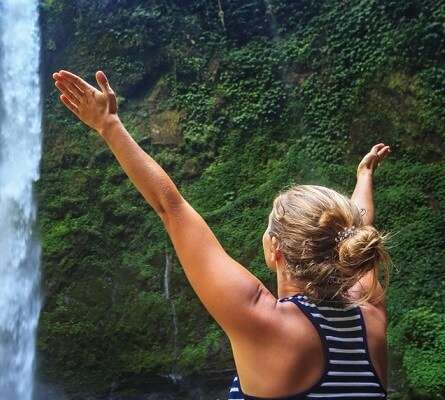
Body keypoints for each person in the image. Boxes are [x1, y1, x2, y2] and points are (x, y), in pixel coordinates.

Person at [51, 69, 392, 399]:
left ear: (276, 251)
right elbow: (358, 229)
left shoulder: (266, 323)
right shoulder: (370, 317)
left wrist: (108, 124)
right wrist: (364, 179)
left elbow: (172, 208)